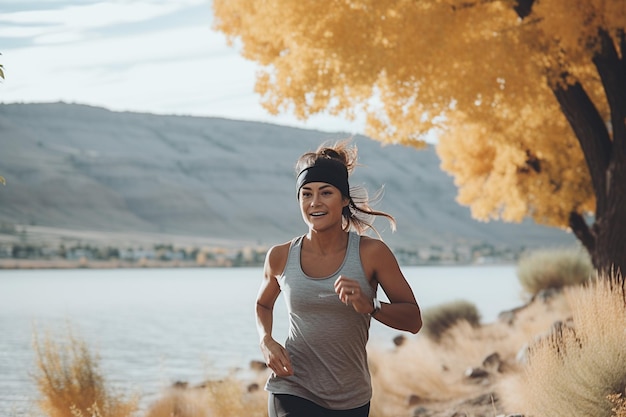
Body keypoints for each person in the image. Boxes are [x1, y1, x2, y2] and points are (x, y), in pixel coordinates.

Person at [256, 140, 422, 417]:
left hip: (350, 397)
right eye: (306, 194)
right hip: (292, 386)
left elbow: (414, 320)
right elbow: (262, 305)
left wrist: (371, 305)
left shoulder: (372, 254)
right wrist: (266, 340)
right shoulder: (280, 256)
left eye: (326, 193)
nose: (314, 202)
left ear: (344, 199)